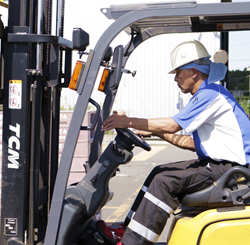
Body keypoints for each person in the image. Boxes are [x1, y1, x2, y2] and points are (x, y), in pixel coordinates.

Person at [97, 40, 250, 245]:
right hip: (222, 166)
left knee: (165, 181)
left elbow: (172, 125)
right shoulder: (207, 95)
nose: (176, 78)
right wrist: (152, 132)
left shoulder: (209, 95)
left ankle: (132, 243)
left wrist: (128, 121)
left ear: (193, 72)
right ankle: (127, 230)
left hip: (233, 170)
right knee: (158, 171)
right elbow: (190, 143)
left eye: (179, 72)